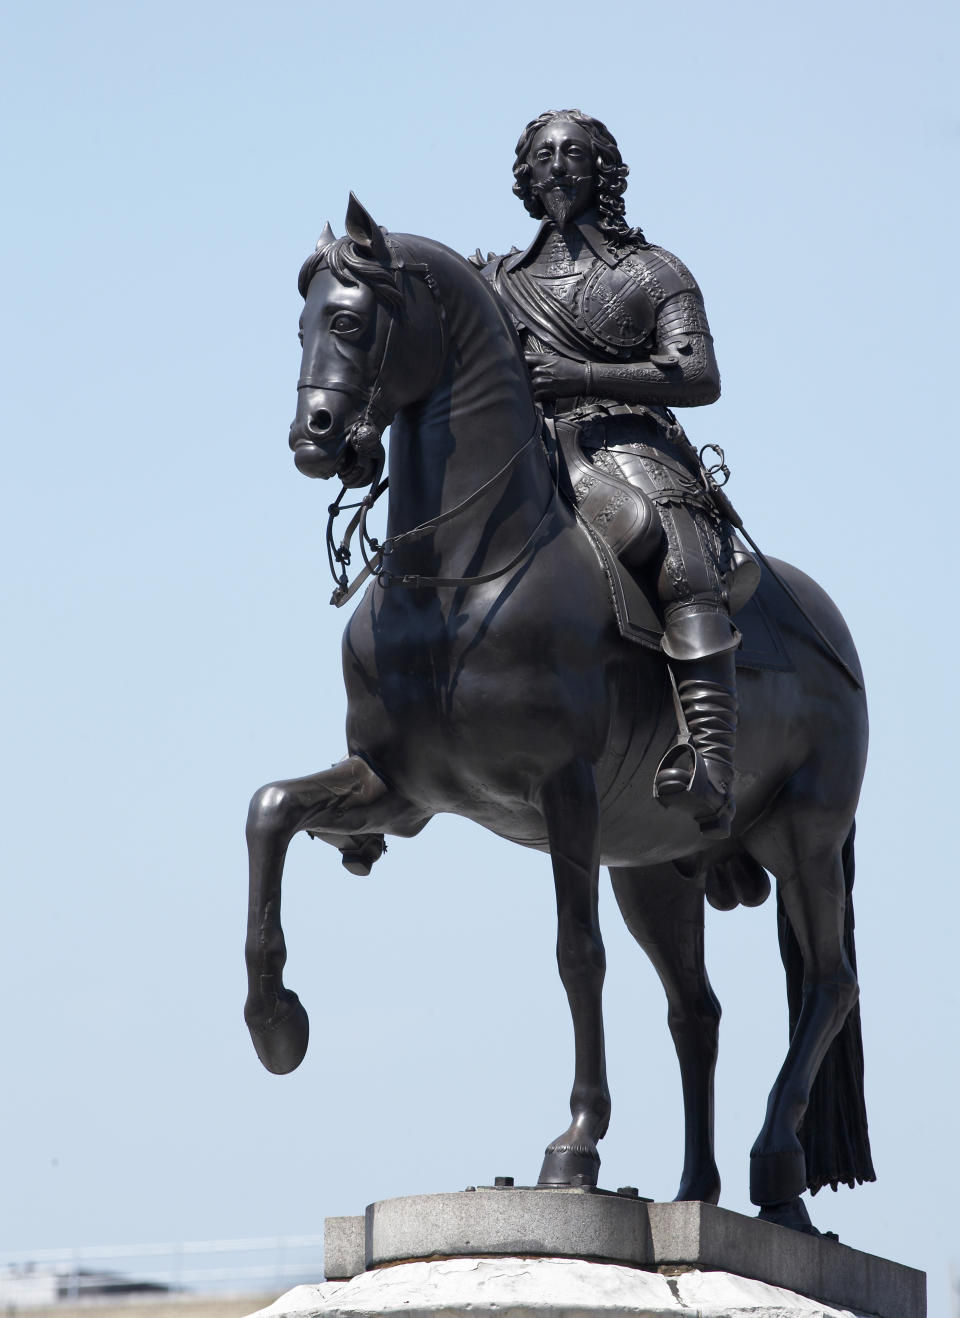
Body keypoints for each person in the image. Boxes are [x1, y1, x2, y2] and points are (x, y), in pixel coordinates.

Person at [472, 109, 753, 837]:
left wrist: (581, 371)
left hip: (628, 445)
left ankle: (712, 764)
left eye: (573, 152)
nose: (558, 163)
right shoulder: (497, 281)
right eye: (543, 155)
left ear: (603, 169)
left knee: (678, 556)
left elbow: (699, 373)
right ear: (525, 175)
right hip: (527, 452)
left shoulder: (653, 271)